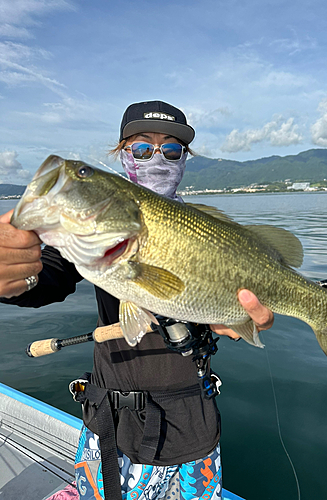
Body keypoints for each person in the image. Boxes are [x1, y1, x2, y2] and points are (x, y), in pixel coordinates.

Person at [0, 100, 274, 500]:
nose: (157, 157)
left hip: (194, 416)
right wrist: (16, 278)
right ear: (122, 155)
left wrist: (243, 319)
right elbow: (50, 276)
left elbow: (243, 303)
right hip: (113, 422)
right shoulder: (95, 236)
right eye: (142, 148)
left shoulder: (210, 230)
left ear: (184, 160)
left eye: (172, 149)